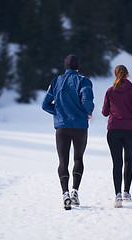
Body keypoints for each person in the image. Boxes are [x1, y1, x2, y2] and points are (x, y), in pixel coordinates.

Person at [42, 54, 94, 210]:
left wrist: (59, 112)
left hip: (62, 127)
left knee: (63, 161)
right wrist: (87, 111)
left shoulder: (55, 81)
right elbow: (87, 101)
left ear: (65, 66)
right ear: (78, 66)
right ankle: (75, 192)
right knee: (78, 158)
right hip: (80, 127)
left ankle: (65, 194)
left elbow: (45, 105)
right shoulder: (84, 81)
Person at [102, 65, 132, 208]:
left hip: (113, 130)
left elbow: (105, 112)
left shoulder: (110, 91)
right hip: (130, 130)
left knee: (117, 163)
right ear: (127, 75)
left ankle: (117, 194)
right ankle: (126, 192)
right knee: (129, 160)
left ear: (115, 75)